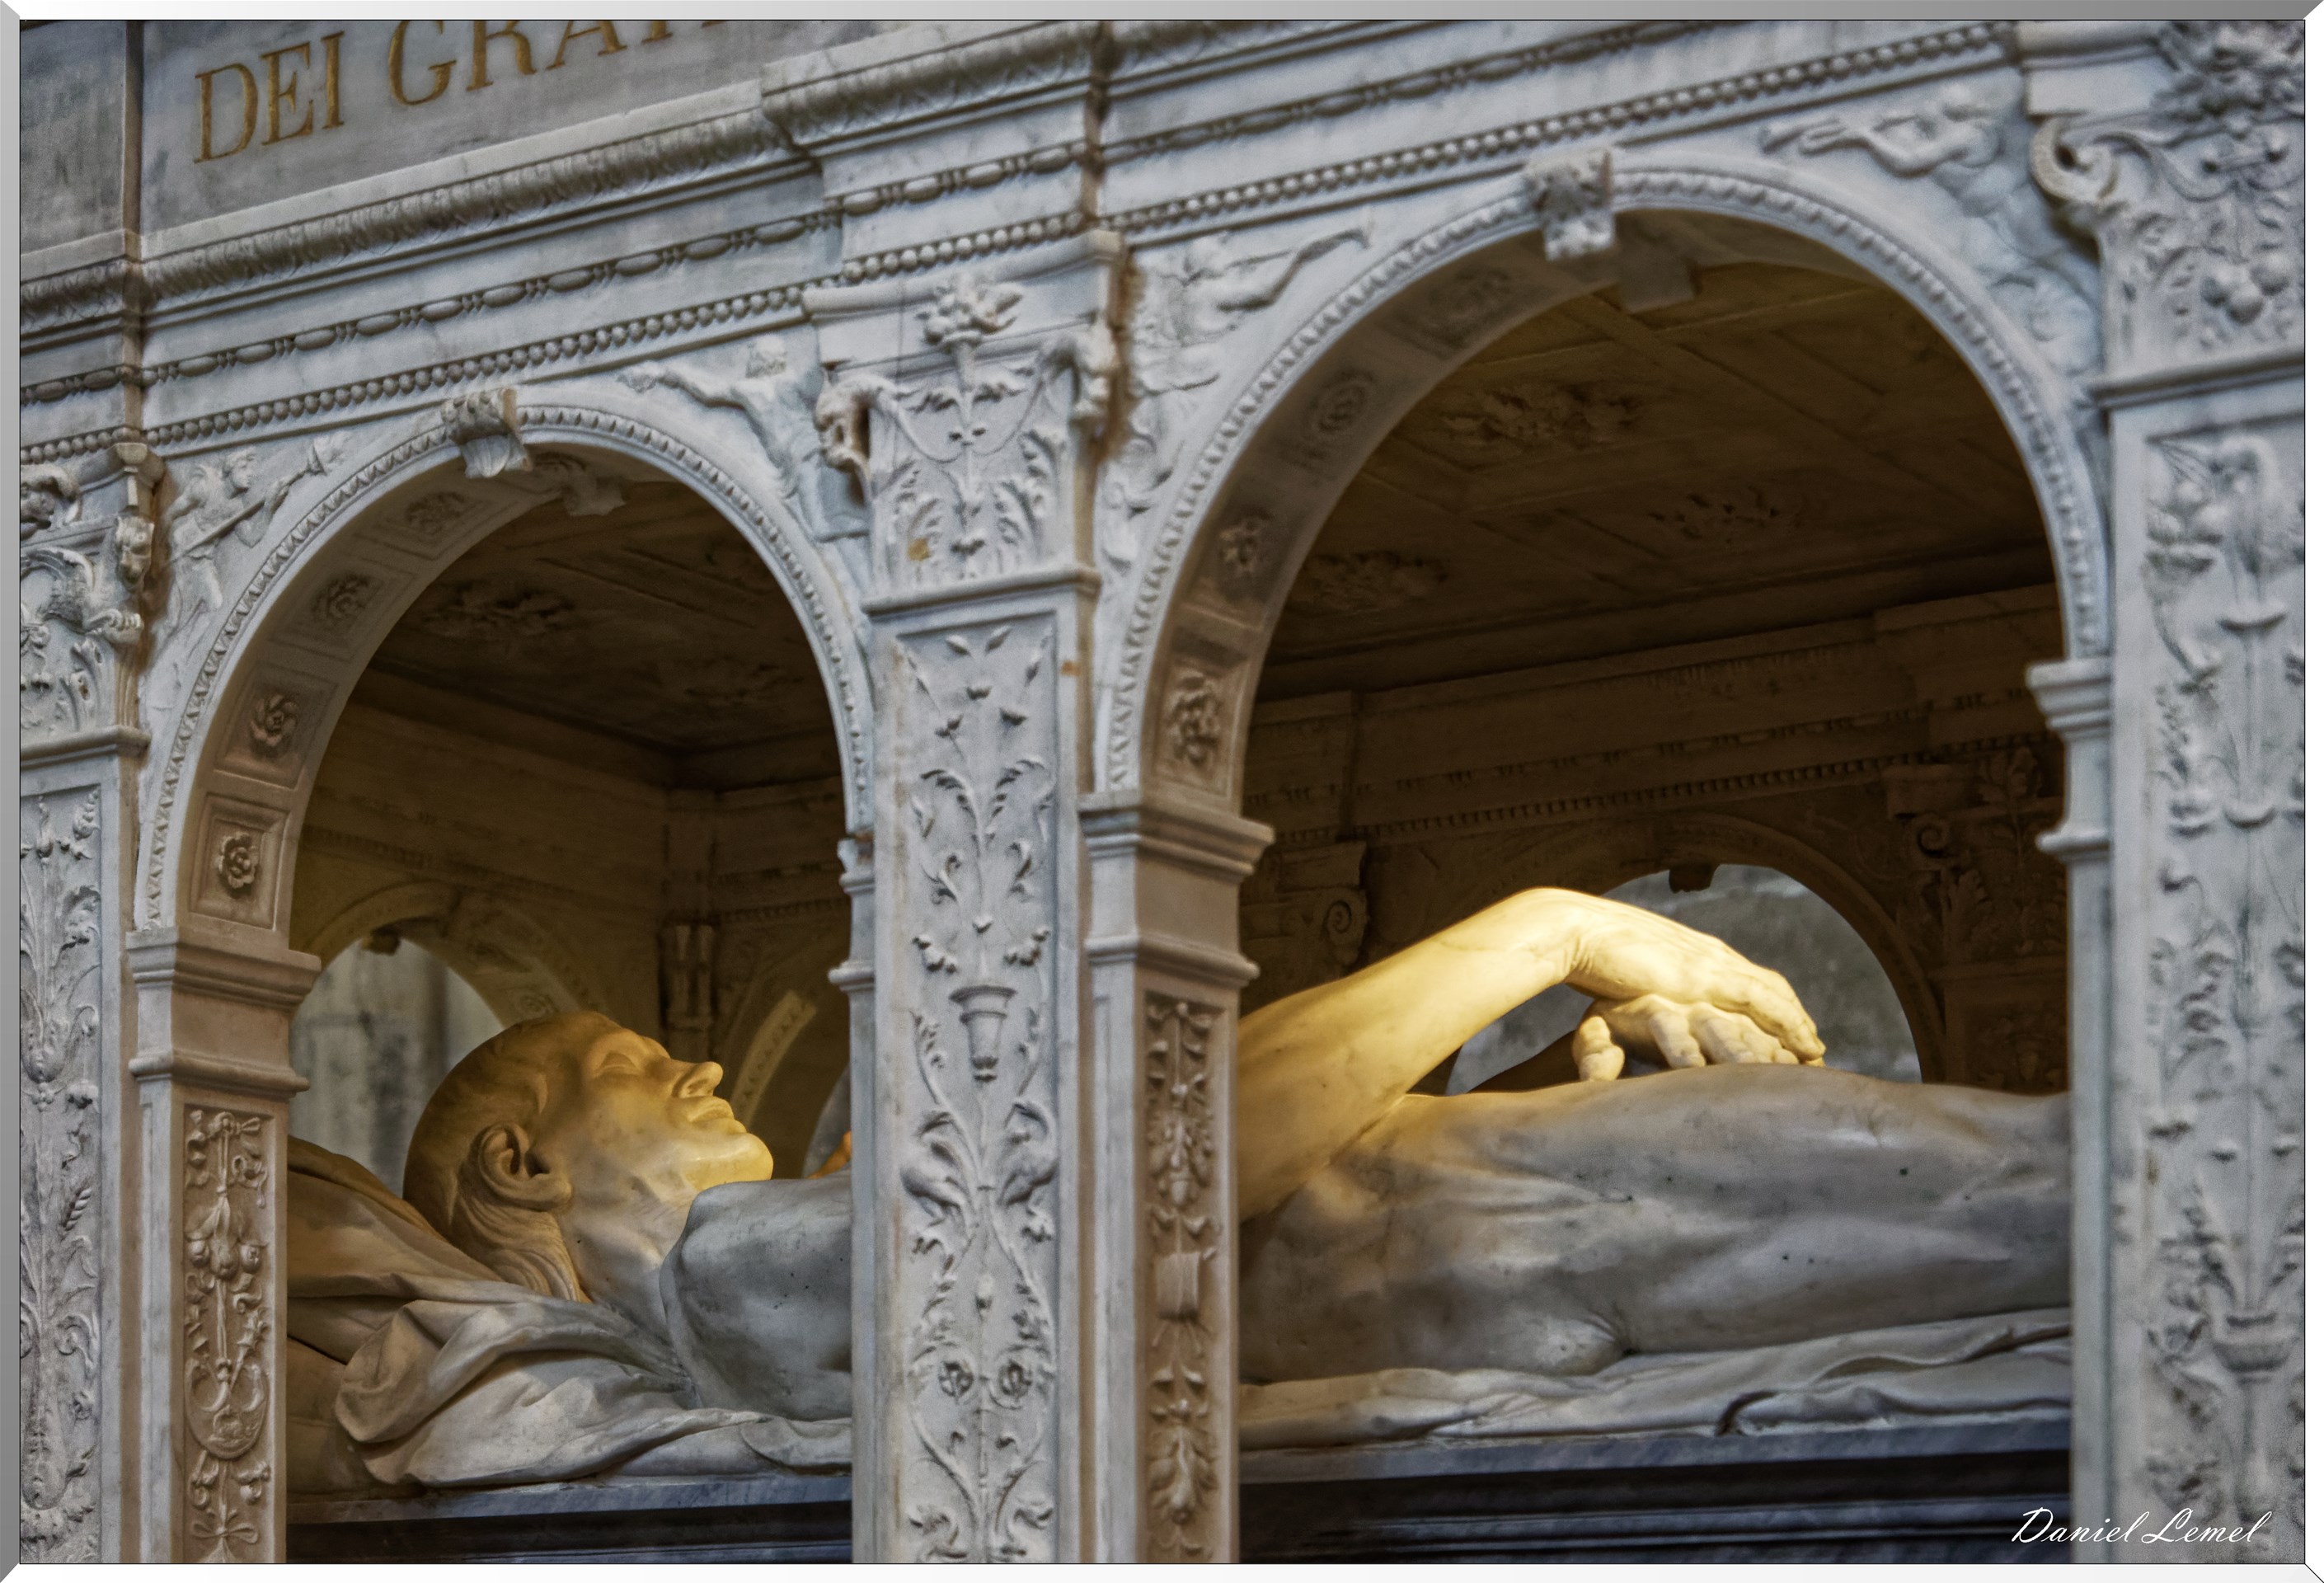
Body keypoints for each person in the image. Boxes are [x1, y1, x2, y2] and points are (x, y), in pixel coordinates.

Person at [289, 888, 2067, 1491]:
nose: (699, 1070)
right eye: (629, 1065)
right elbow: (1156, 1157)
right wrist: (1548, 929)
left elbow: (1265, 1200)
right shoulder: (728, 1260)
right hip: (1578, 1245)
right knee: (2140, 1190)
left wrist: (1528, 1082)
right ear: (526, 1163)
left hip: (1567, 1244)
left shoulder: (767, 1265)